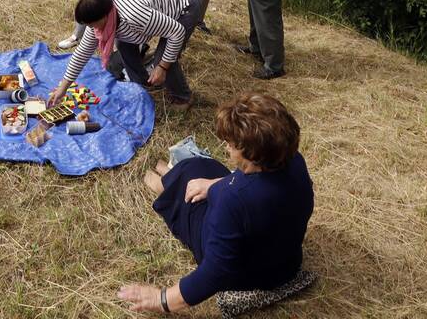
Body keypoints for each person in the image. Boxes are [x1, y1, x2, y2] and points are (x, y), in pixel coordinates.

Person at [118, 92, 314, 314]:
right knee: (200, 168)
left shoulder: (233, 201)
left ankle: (165, 185)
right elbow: (249, 184)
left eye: (231, 143)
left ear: (252, 154)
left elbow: (215, 272)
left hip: (248, 276)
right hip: (286, 264)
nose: (227, 147)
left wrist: (161, 299)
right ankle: (172, 178)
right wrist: (212, 185)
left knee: (188, 194)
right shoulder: (294, 162)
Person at [49, 0, 200, 109]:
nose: (92, 29)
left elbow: (176, 32)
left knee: (164, 57)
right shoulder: (101, 17)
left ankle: (183, 98)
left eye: (92, 24)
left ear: (105, 17)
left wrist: (162, 67)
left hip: (184, 1)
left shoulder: (134, 15)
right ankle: (143, 83)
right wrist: (63, 88)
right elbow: (81, 54)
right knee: (123, 44)